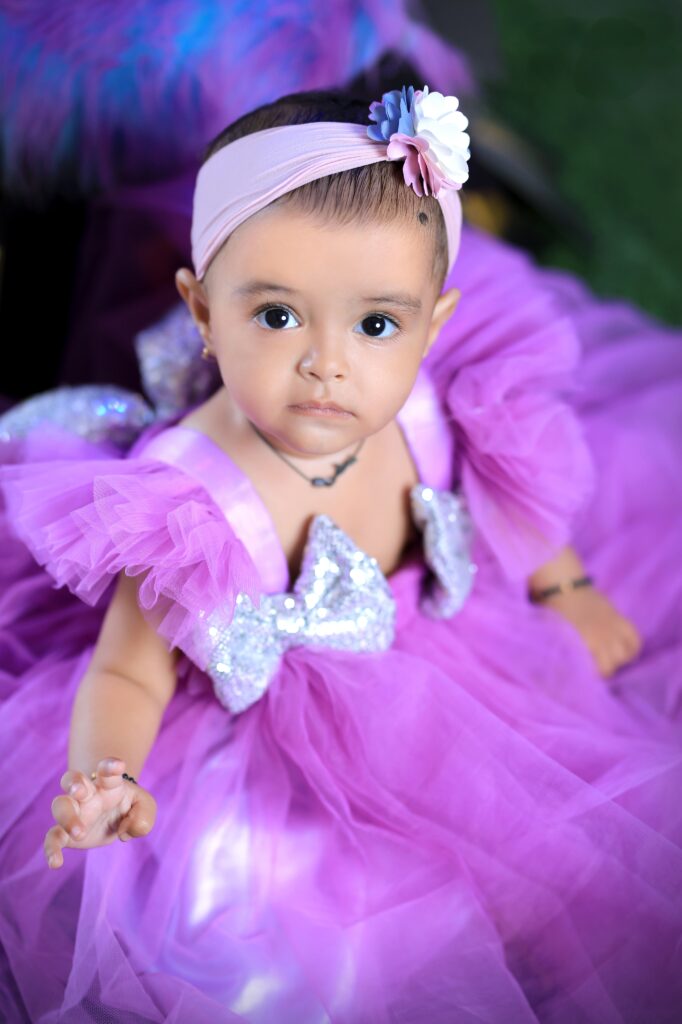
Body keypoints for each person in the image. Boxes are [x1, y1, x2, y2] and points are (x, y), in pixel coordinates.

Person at [1, 85, 682, 1024]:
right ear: (202, 312)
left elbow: (506, 493)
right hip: (274, 741)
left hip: (452, 668)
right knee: (324, 938)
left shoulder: (440, 397)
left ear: (431, 327)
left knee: (563, 840)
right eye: (277, 316)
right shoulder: (187, 504)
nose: (328, 362)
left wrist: (563, 584)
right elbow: (127, 672)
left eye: (374, 325)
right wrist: (105, 775)